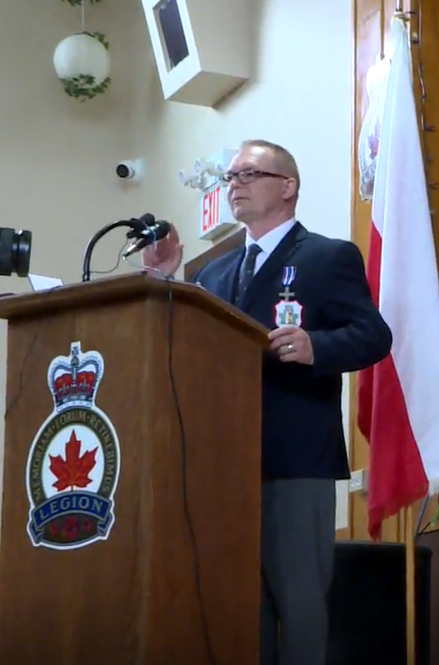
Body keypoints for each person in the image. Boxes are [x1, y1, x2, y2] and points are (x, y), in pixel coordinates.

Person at [142, 139, 392, 665]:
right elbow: (184, 351)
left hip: (293, 461)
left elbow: (373, 336)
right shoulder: (212, 276)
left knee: (300, 611)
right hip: (223, 469)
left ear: (287, 186)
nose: (234, 184)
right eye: (230, 177)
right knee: (237, 610)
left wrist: (314, 345)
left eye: (247, 174)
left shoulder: (326, 257)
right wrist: (164, 282)